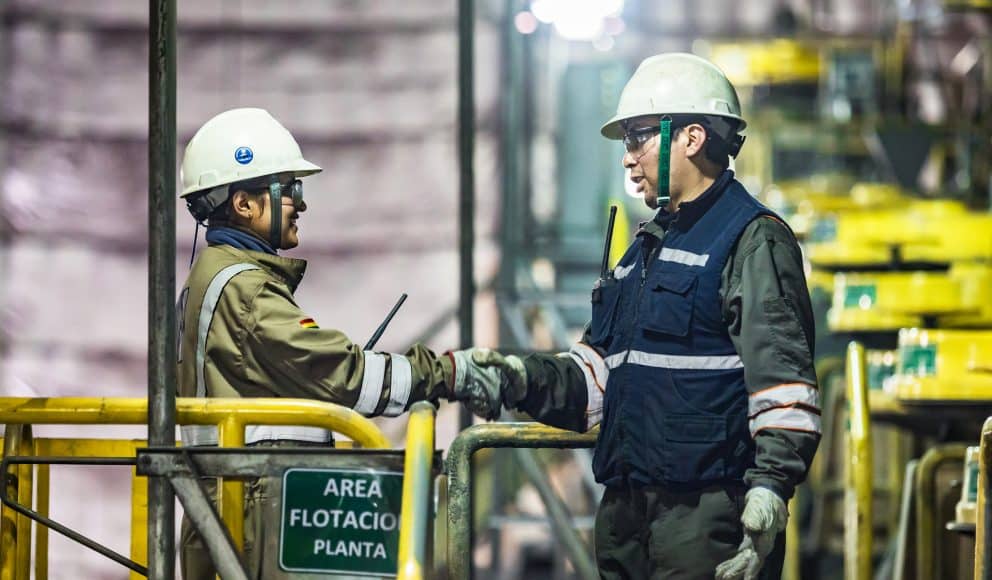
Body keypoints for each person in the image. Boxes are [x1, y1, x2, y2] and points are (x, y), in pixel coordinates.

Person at [458, 53, 821, 580]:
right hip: (628, 513)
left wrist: (770, 487)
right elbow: (594, 381)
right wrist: (517, 377)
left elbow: (784, 383)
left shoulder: (750, 239)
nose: (627, 159)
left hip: (707, 517)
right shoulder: (643, 252)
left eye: (638, 138)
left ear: (691, 138)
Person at [175, 107, 497, 579]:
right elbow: (343, 373)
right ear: (244, 203)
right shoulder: (244, 291)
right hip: (251, 516)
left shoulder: (215, 277)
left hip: (230, 506)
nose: (300, 204)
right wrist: (448, 373)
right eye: (289, 188)